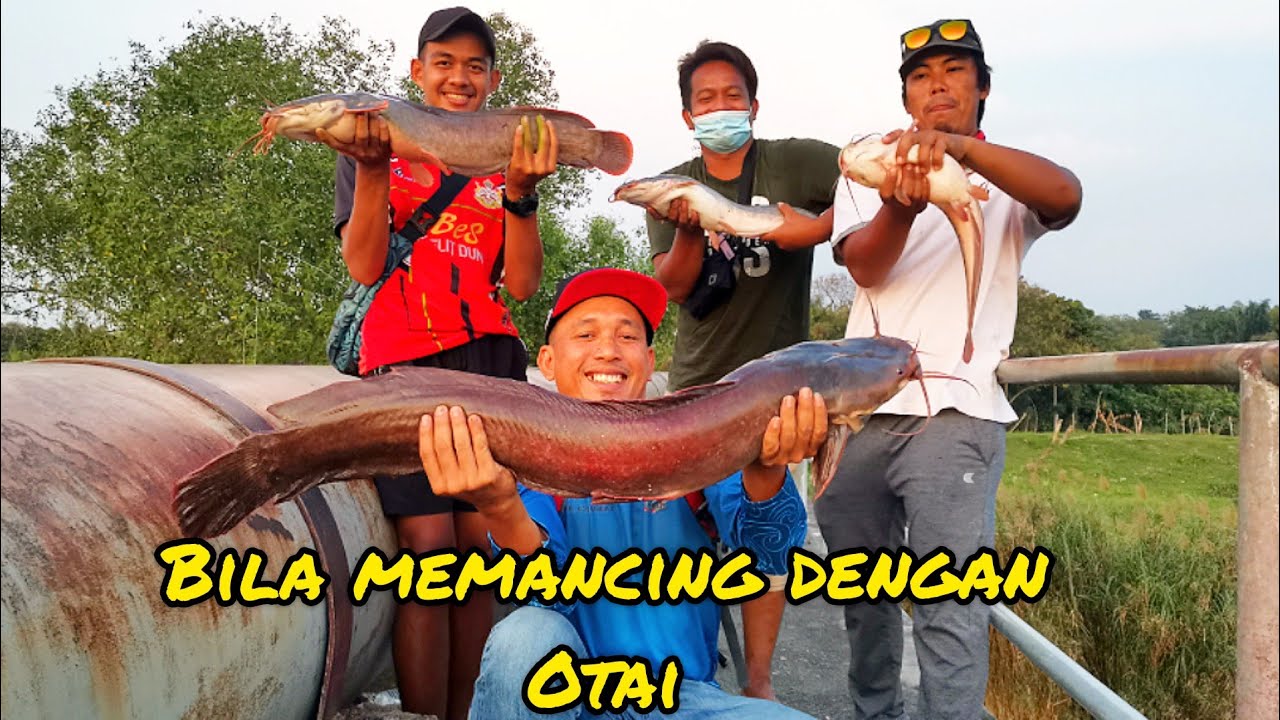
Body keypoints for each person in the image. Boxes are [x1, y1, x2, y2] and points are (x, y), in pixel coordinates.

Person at [817, 19, 1083, 720]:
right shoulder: (868, 162)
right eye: (921, 75)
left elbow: (1066, 196)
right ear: (906, 96)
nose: (937, 85)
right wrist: (900, 205)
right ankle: (875, 712)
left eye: (955, 72)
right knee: (864, 601)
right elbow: (866, 266)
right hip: (857, 415)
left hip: (957, 415)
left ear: (983, 88)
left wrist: (963, 154)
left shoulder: (1002, 175)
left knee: (948, 604)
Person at [415, 267, 820, 719]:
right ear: (547, 360)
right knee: (524, 635)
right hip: (562, 695)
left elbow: (768, 554)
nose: (607, 350)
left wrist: (766, 469)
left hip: (681, 698)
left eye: (627, 338)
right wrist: (498, 505)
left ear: (649, 361)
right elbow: (544, 594)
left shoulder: (702, 444)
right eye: (586, 334)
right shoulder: (523, 462)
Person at [318, 7, 560, 719]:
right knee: (428, 556)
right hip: (405, 363)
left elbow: (520, 285)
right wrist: (368, 171)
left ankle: (472, 710)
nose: (461, 76)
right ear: (416, 72)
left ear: (493, 80)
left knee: (481, 556)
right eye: (445, 62)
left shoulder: (503, 154)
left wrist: (521, 193)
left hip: (490, 357)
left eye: (476, 66)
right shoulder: (374, 146)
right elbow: (363, 265)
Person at [643, 39, 841, 700]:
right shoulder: (672, 184)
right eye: (706, 101)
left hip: (779, 390)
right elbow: (671, 284)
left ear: (754, 105)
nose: (721, 108)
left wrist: (811, 231)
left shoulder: (796, 161)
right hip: (699, 386)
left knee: (769, 532)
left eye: (733, 97)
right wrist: (690, 227)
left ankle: (759, 684)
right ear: (687, 116)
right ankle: (695, 668)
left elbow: (869, 192)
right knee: (683, 531)